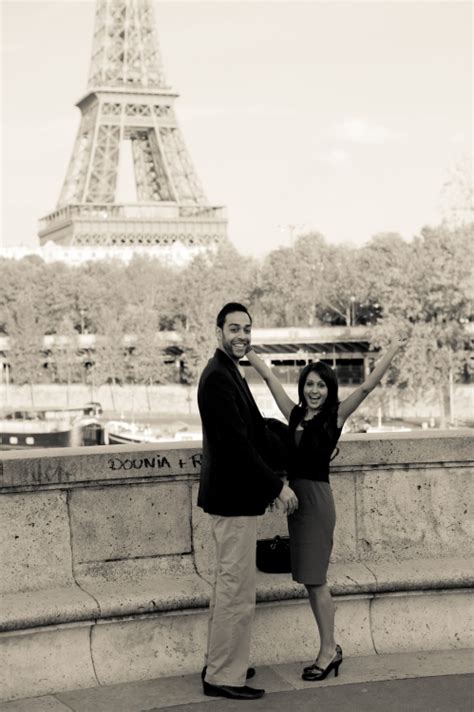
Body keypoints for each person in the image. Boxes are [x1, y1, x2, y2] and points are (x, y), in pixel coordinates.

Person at [246, 336, 407, 681]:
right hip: (296, 503)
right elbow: (272, 380)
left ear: (329, 389)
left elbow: (366, 387)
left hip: (317, 503)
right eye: (309, 384)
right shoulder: (294, 415)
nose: (314, 391)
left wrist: (391, 351)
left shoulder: (335, 417)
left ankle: (328, 650)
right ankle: (329, 648)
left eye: (320, 385)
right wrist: (250, 353)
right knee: (309, 580)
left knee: (316, 581)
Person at [197, 302, 298, 701]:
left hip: (232, 499)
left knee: (229, 589)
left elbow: (256, 429)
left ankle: (223, 662)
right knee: (236, 592)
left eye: (247, 330)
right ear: (218, 331)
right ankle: (223, 676)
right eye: (234, 329)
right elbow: (239, 446)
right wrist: (278, 487)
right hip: (233, 500)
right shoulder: (219, 377)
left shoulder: (226, 371)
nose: (242, 336)